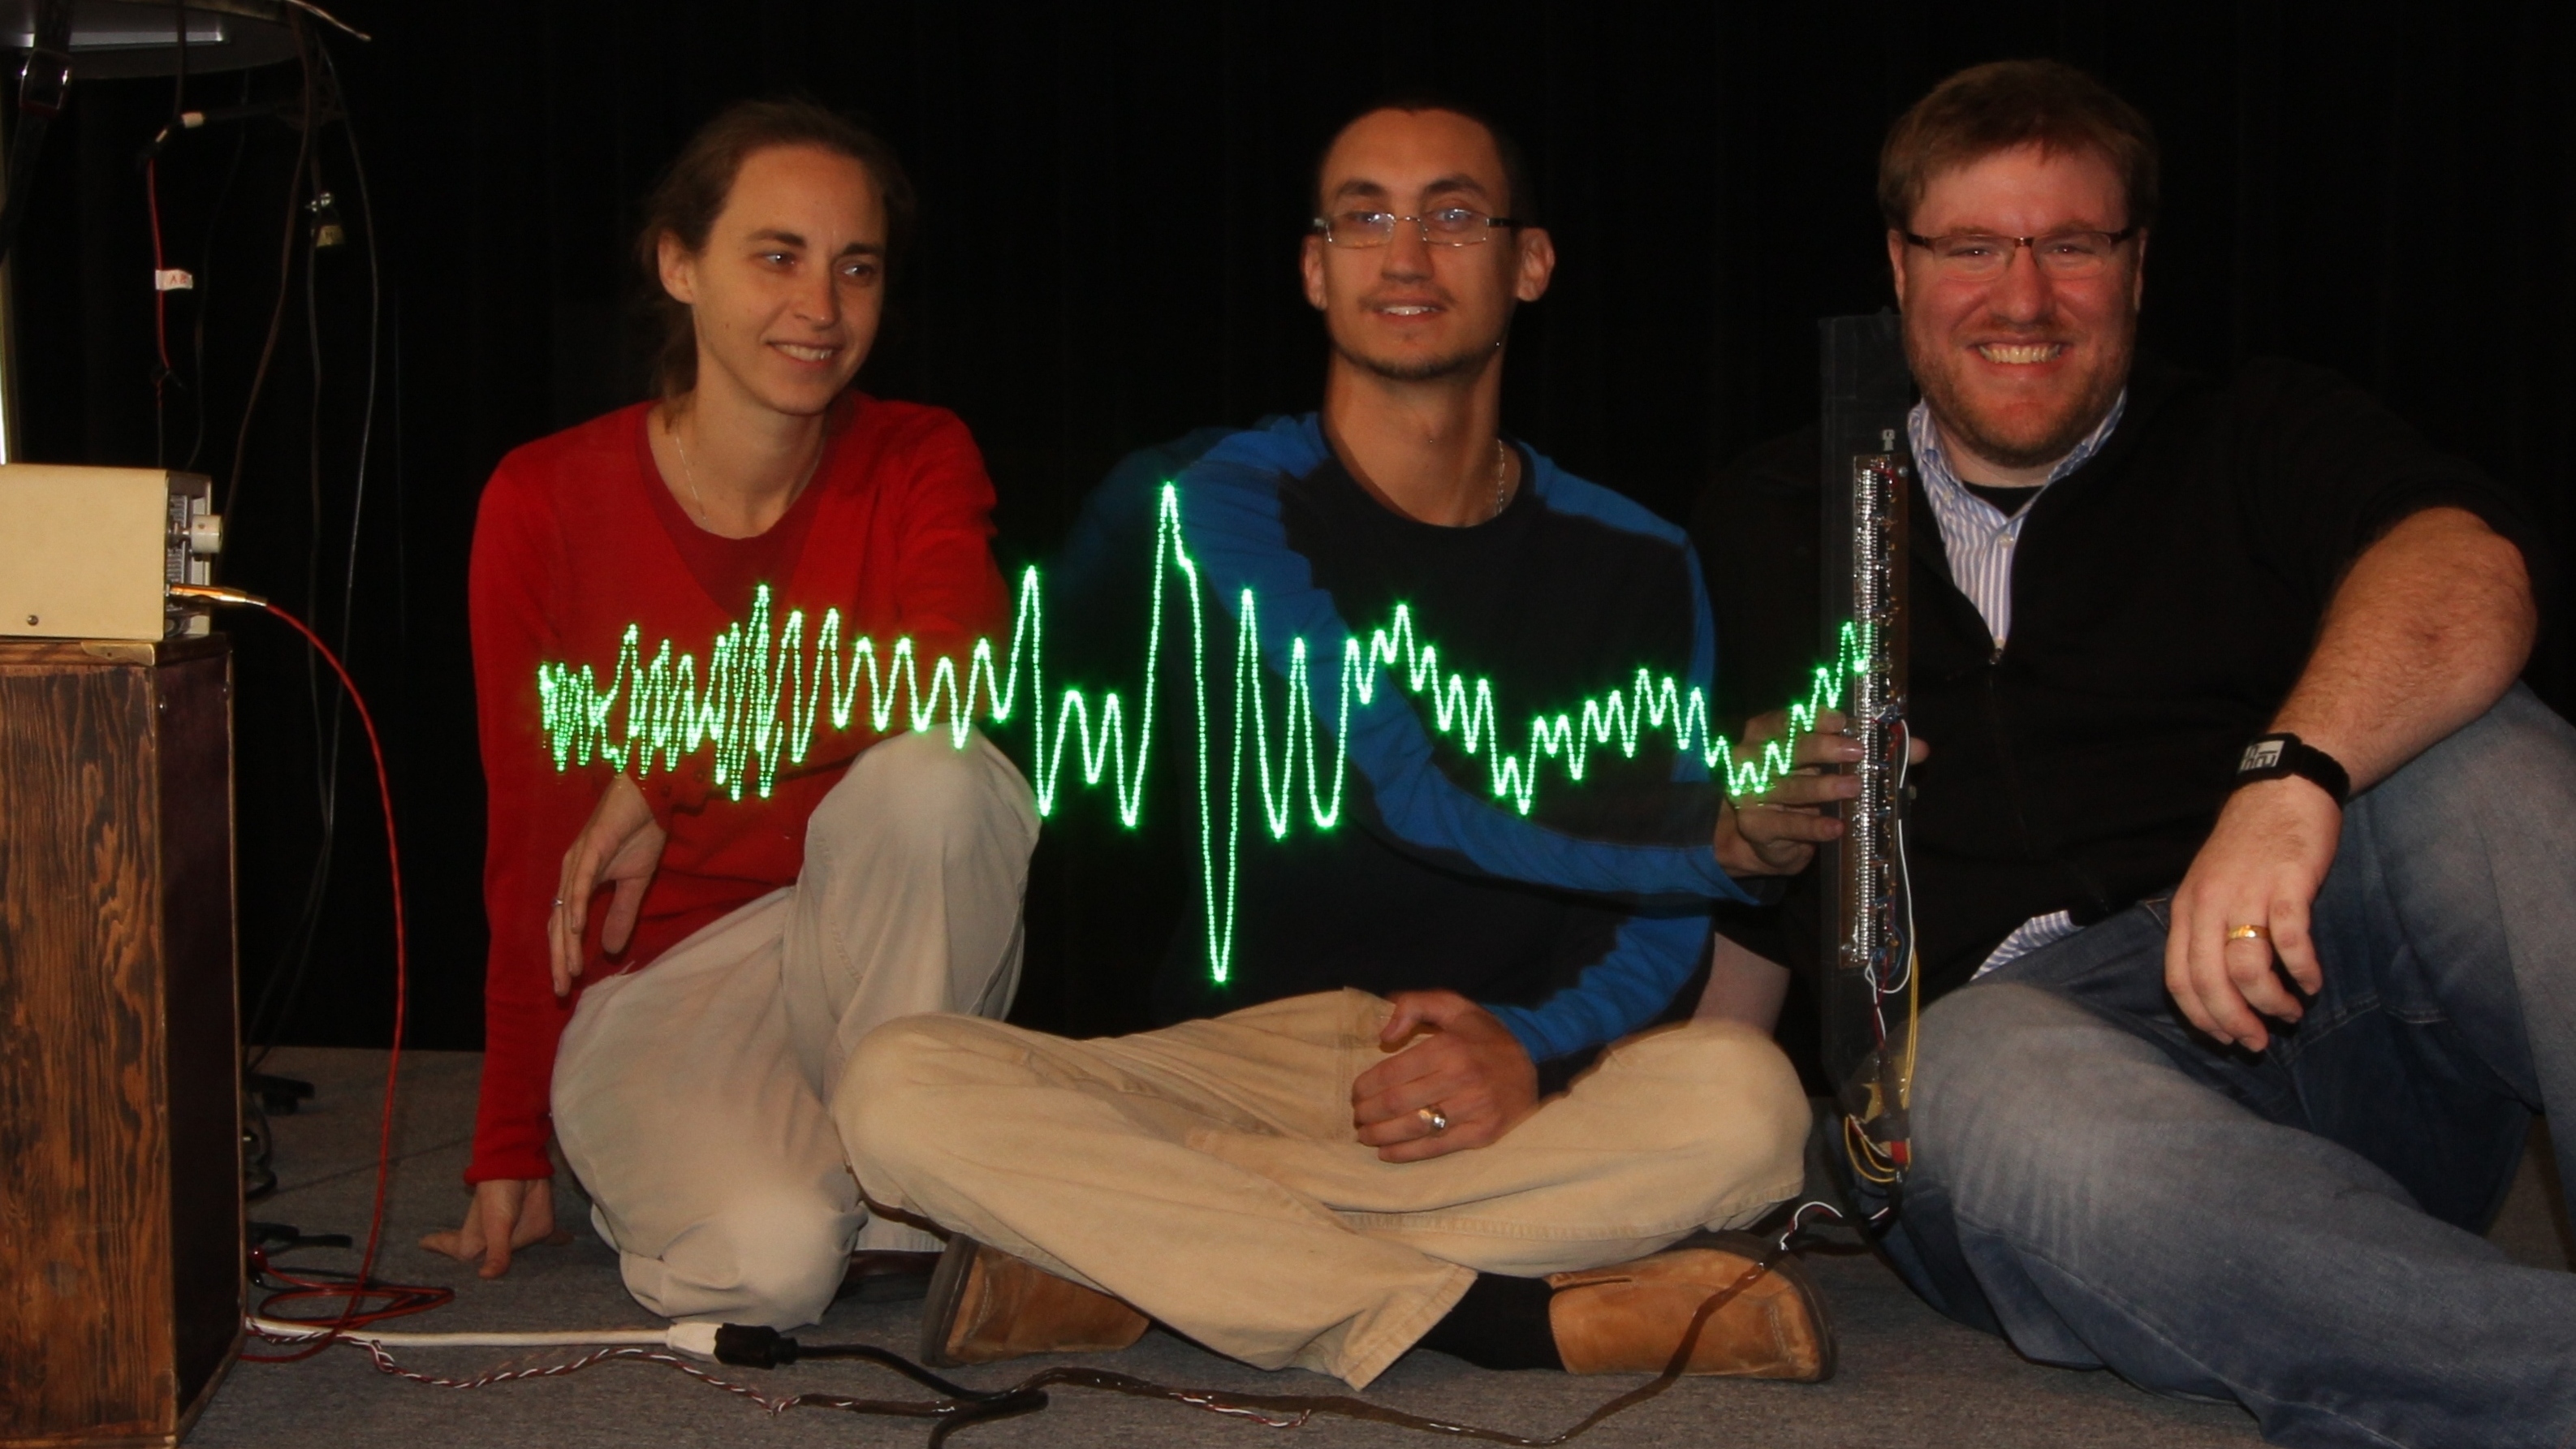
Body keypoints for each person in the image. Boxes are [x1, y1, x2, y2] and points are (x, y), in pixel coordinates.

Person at [834, 98, 1837, 1391]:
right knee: (897, 1086)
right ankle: (1494, 1318)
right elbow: (1398, 782)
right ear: (1314, 269)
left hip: (1491, 1067)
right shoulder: (1214, 498)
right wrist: (1710, 827)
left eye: (1452, 215)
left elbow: (1654, 928)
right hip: (1237, 1059)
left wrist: (1528, 1047)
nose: (1404, 255)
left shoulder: (1641, 554)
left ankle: (1132, 1252)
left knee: (1749, 1103)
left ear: (1529, 263)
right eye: (1364, 218)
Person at [1692, 59, 2574, 1447]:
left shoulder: (2253, 431)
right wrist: (1738, 839)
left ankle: (2364, 1298)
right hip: (2013, 1099)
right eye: (1971, 248)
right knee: (1967, 1063)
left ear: (2137, 266)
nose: (2022, 298)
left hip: (2308, 1008)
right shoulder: (1769, 512)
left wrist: (2289, 778)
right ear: (1899, 266)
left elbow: (2468, 568)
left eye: (2072, 245)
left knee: (2487, 764)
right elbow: (1729, 873)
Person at [425, 98, 1040, 1330]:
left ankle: (906, 1180)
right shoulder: (543, 499)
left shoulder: (919, 456)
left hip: (859, 950)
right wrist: (509, 1137)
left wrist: (676, 768)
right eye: (777, 256)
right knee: (768, 1273)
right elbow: (532, 840)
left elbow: (952, 668)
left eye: (855, 267)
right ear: (678, 264)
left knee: (941, 776)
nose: (821, 306)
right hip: (656, 987)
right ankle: (888, 1187)